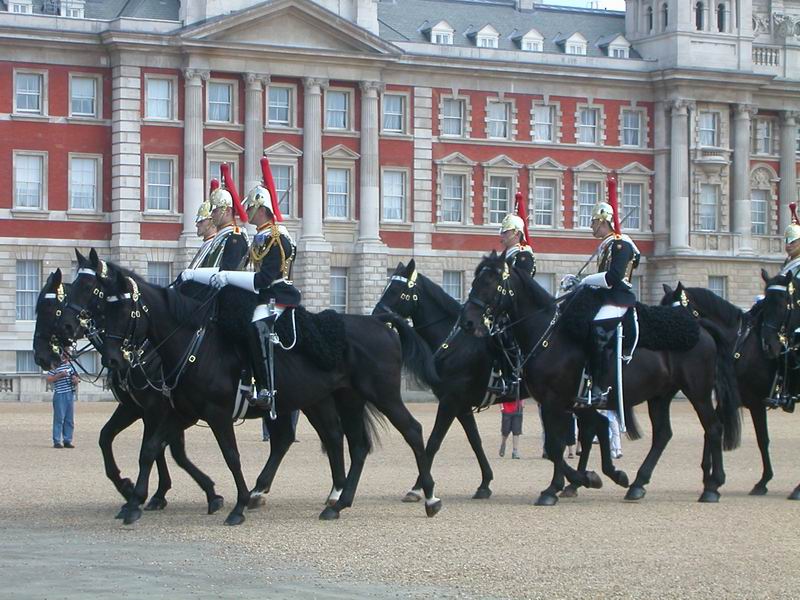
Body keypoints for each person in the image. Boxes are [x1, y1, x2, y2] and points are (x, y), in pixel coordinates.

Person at [208, 157, 300, 412]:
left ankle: (267, 389)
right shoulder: (261, 236)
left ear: (261, 207)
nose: (246, 211)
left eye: (251, 207)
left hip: (279, 294)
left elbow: (263, 279)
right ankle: (244, 376)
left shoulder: (277, 237)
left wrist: (227, 277)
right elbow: (246, 270)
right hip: (265, 294)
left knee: (256, 325)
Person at [562, 176, 640, 406]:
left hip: (619, 299)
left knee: (597, 330)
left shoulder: (620, 244)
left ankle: (599, 387)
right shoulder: (607, 246)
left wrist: (584, 281)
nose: (592, 226)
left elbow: (613, 278)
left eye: (594, 221)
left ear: (604, 221)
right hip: (605, 298)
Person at [488, 192, 536, 399]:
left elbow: (521, 283)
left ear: (516, 233)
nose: (502, 236)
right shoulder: (504, 256)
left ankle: (513, 376)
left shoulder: (524, 255)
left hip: (519, 308)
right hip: (502, 306)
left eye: (505, 233)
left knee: (506, 334)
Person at [46, 352, 78, 448]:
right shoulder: (55, 367)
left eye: (66, 356)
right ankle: (57, 441)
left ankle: (67, 440)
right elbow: (49, 379)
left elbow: (76, 379)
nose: (65, 358)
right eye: (64, 356)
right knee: (59, 418)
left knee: (69, 419)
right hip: (60, 393)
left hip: (70, 393)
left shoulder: (71, 367)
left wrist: (75, 380)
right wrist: (59, 375)